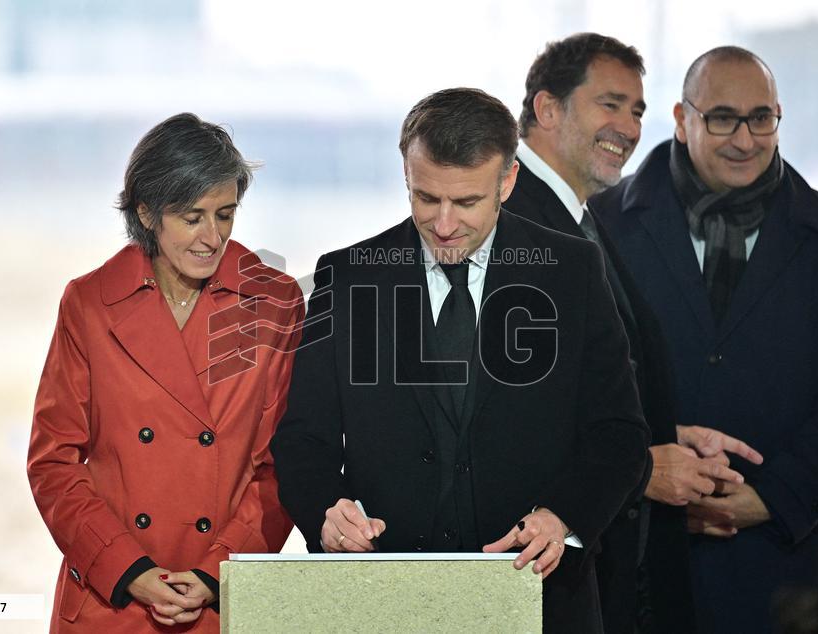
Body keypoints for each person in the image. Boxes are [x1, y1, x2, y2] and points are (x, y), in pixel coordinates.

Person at [271, 87, 650, 633]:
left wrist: (564, 519)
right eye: (427, 198)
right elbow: (303, 440)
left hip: (541, 600)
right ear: (406, 176)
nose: (445, 223)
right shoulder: (346, 277)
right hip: (383, 601)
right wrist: (326, 513)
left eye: (467, 202)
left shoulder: (573, 271)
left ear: (508, 182)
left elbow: (619, 433)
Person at [594, 47, 818, 633]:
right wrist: (649, 476)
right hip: (638, 553)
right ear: (681, 118)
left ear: (779, 116)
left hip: (777, 557)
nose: (745, 139)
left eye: (761, 118)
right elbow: (582, 388)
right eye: (723, 117)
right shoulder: (603, 226)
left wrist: (773, 498)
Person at [505, 32, 763, 633]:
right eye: (610, 103)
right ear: (547, 109)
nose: (628, 125)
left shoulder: (580, 214)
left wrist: (665, 429)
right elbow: (509, 415)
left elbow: (583, 382)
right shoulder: (513, 220)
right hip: (552, 581)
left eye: (638, 110)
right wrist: (646, 467)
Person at [27, 113, 304, 632]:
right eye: (192, 217)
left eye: (225, 214)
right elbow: (53, 463)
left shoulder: (274, 301)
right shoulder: (89, 303)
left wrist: (218, 571)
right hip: (111, 600)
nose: (212, 237)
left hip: (219, 599)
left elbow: (280, 464)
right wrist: (129, 569)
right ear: (148, 213)